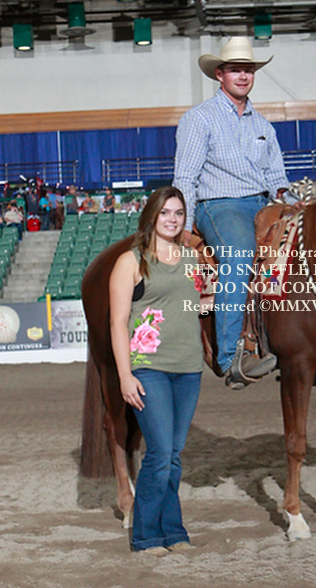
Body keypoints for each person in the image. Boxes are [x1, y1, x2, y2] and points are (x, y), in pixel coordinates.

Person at [173, 36, 289, 388]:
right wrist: (183, 224)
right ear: (219, 74)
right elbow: (186, 176)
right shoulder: (199, 119)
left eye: (248, 70)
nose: (243, 75)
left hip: (264, 205)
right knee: (239, 254)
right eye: (235, 70)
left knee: (305, 246)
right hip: (220, 205)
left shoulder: (264, 126)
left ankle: (301, 346)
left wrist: (289, 199)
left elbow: (277, 179)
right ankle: (230, 356)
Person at [109, 186, 203, 555]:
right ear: (152, 215)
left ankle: (173, 531)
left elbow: (195, 304)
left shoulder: (192, 259)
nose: (172, 219)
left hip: (189, 368)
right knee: (160, 453)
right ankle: (146, 535)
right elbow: (118, 323)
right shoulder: (130, 262)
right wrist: (125, 375)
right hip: (149, 367)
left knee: (174, 455)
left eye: (178, 213)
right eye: (165, 212)